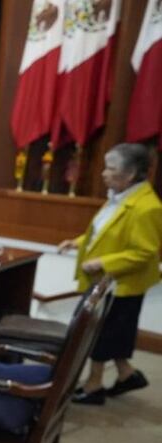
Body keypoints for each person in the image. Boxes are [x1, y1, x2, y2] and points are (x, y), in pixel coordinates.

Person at [57, 143, 162, 404]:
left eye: (111, 168)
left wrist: (103, 262)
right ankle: (127, 375)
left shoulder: (147, 207)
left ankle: (94, 386)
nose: (104, 173)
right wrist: (79, 242)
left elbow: (144, 252)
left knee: (102, 334)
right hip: (108, 281)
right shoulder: (120, 197)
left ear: (131, 174)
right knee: (111, 334)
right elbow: (105, 232)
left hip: (122, 284)